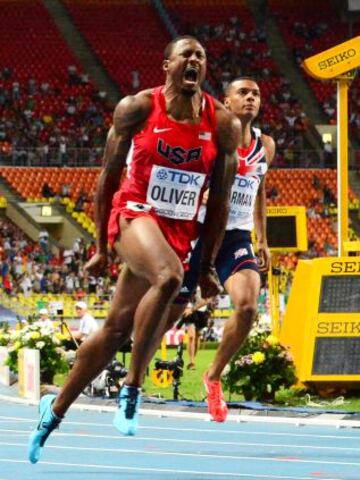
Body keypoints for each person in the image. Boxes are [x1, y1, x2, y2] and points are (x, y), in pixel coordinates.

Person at [28, 35, 240, 463]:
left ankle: (53, 412)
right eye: (186, 55)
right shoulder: (137, 108)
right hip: (133, 211)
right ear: (167, 66)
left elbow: (218, 200)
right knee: (168, 278)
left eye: (200, 55)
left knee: (115, 329)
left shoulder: (222, 124)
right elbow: (107, 176)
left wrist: (208, 262)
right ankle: (133, 388)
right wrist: (102, 246)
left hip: (178, 229)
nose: (194, 61)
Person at [163, 77, 275, 422]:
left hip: (236, 238)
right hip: (198, 234)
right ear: (226, 100)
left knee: (246, 308)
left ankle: (213, 377)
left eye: (256, 93)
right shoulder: (210, 138)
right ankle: (131, 378)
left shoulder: (266, 146)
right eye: (243, 92)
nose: (251, 98)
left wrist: (262, 238)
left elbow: (258, 191)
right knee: (166, 315)